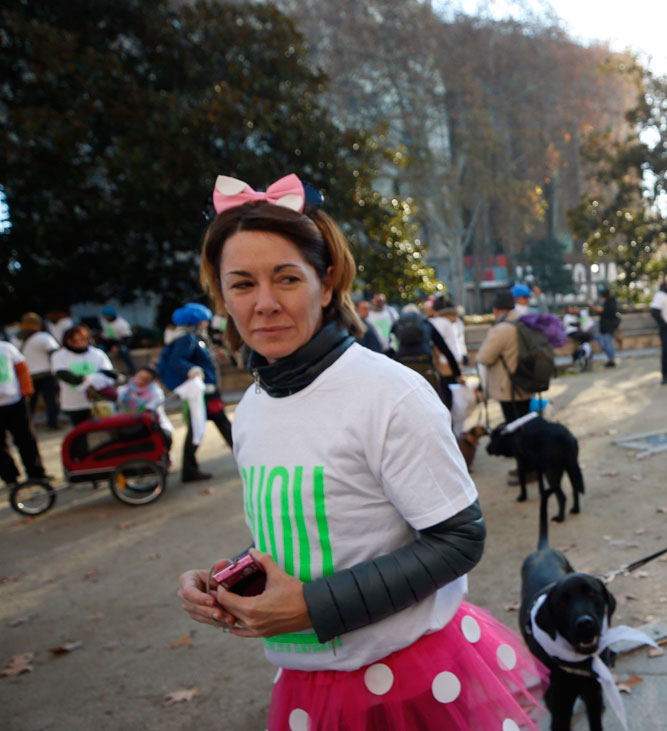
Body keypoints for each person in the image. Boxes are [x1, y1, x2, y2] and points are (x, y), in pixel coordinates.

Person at [175, 173, 545, 730]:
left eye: (286, 278)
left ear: (325, 285)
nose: (265, 304)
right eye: (243, 284)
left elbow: (459, 538)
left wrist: (315, 605)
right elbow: (304, 526)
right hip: (305, 681)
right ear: (222, 295)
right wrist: (231, 580)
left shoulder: (389, 394)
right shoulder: (251, 408)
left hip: (410, 678)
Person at [158, 302, 233, 483]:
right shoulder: (187, 339)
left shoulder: (191, 337)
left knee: (218, 426)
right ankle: (190, 470)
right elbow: (178, 360)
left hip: (206, 392)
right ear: (198, 322)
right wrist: (192, 370)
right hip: (203, 393)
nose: (206, 324)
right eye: (204, 321)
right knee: (204, 428)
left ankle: (191, 470)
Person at [476, 290, 532, 423]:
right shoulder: (525, 324)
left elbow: (484, 358)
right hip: (527, 381)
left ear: (496, 309)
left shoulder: (502, 329)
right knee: (525, 421)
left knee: (514, 424)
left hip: (508, 386)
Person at [0, 338, 47, 488]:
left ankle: (36, 474)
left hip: (15, 402)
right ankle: (10, 478)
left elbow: (22, 368)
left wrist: (26, 390)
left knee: (26, 438)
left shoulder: (6, 348)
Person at [50, 324, 116, 426]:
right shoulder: (59, 355)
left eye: (82, 339)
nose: (80, 343)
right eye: (75, 341)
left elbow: (108, 372)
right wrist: (84, 379)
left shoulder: (97, 353)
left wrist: (96, 379)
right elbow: (62, 374)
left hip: (99, 401)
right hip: (74, 402)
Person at [18, 313, 61, 430]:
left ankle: (27, 426)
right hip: (46, 374)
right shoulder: (43, 337)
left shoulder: (16, 339)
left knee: (30, 404)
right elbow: (56, 354)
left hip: (29, 375)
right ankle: (52, 424)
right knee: (51, 401)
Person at [117, 366, 173, 449]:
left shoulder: (156, 392)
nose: (140, 381)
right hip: (127, 424)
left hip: (152, 426)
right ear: (136, 375)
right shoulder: (123, 390)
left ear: (151, 381)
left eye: (145, 379)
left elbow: (148, 411)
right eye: (140, 377)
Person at [98, 305, 137, 372]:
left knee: (123, 350)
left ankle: (132, 369)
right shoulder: (104, 321)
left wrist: (117, 346)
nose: (105, 317)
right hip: (108, 342)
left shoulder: (122, 323)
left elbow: (127, 338)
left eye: (107, 316)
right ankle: (101, 369)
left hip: (120, 341)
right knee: (100, 350)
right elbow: (104, 333)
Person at [593, 284, 620, 368]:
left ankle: (612, 360)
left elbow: (606, 312)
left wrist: (593, 306)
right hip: (604, 327)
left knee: (608, 344)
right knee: (604, 344)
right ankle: (610, 359)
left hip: (608, 327)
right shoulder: (607, 302)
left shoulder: (611, 302)